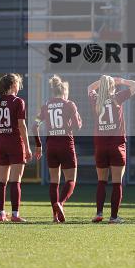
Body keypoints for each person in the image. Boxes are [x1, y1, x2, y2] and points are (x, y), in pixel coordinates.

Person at [88, 75, 135, 224]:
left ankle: (99, 213)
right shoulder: (117, 97)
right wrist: (121, 81)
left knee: (101, 181)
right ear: (113, 86)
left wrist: (103, 81)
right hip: (117, 145)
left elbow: (89, 88)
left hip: (100, 146)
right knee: (117, 182)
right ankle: (114, 217)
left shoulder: (95, 99)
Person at [36, 75, 82, 223]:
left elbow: (34, 125)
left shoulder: (46, 105)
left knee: (54, 181)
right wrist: (78, 118)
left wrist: (38, 144)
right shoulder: (69, 104)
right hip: (66, 145)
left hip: (51, 146)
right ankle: (60, 203)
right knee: (71, 180)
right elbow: (77, 126)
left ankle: (55, 216)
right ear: (65, 91)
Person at [0, 73, 31, 222]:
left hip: (1, 142)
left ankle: (1, 213)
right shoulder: (18, 101)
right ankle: (15, 215)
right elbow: (22, 125)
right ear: (13, 85)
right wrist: (27, 147)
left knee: (2, 180)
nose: (19, 86)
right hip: (15, 142)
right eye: (17, 83)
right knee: (16, 180)